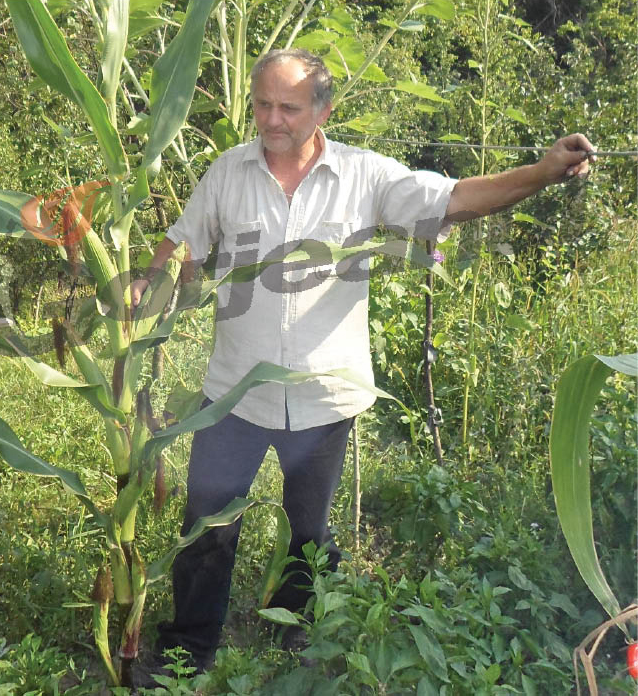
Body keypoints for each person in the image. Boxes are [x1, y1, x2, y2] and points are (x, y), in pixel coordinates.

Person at [130, 48, 594, 671]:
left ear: (321, 109)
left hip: (325, 396)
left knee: (309, 536)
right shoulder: (227, 173)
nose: (271, 119)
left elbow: (455, 198)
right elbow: (183, 245)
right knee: (207, 527)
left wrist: (539, 172)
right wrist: (149, 287)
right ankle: (188, 653)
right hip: (233, 392)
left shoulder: (366, 176)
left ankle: (297, 640)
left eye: (288, 108)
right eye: (262, 104)